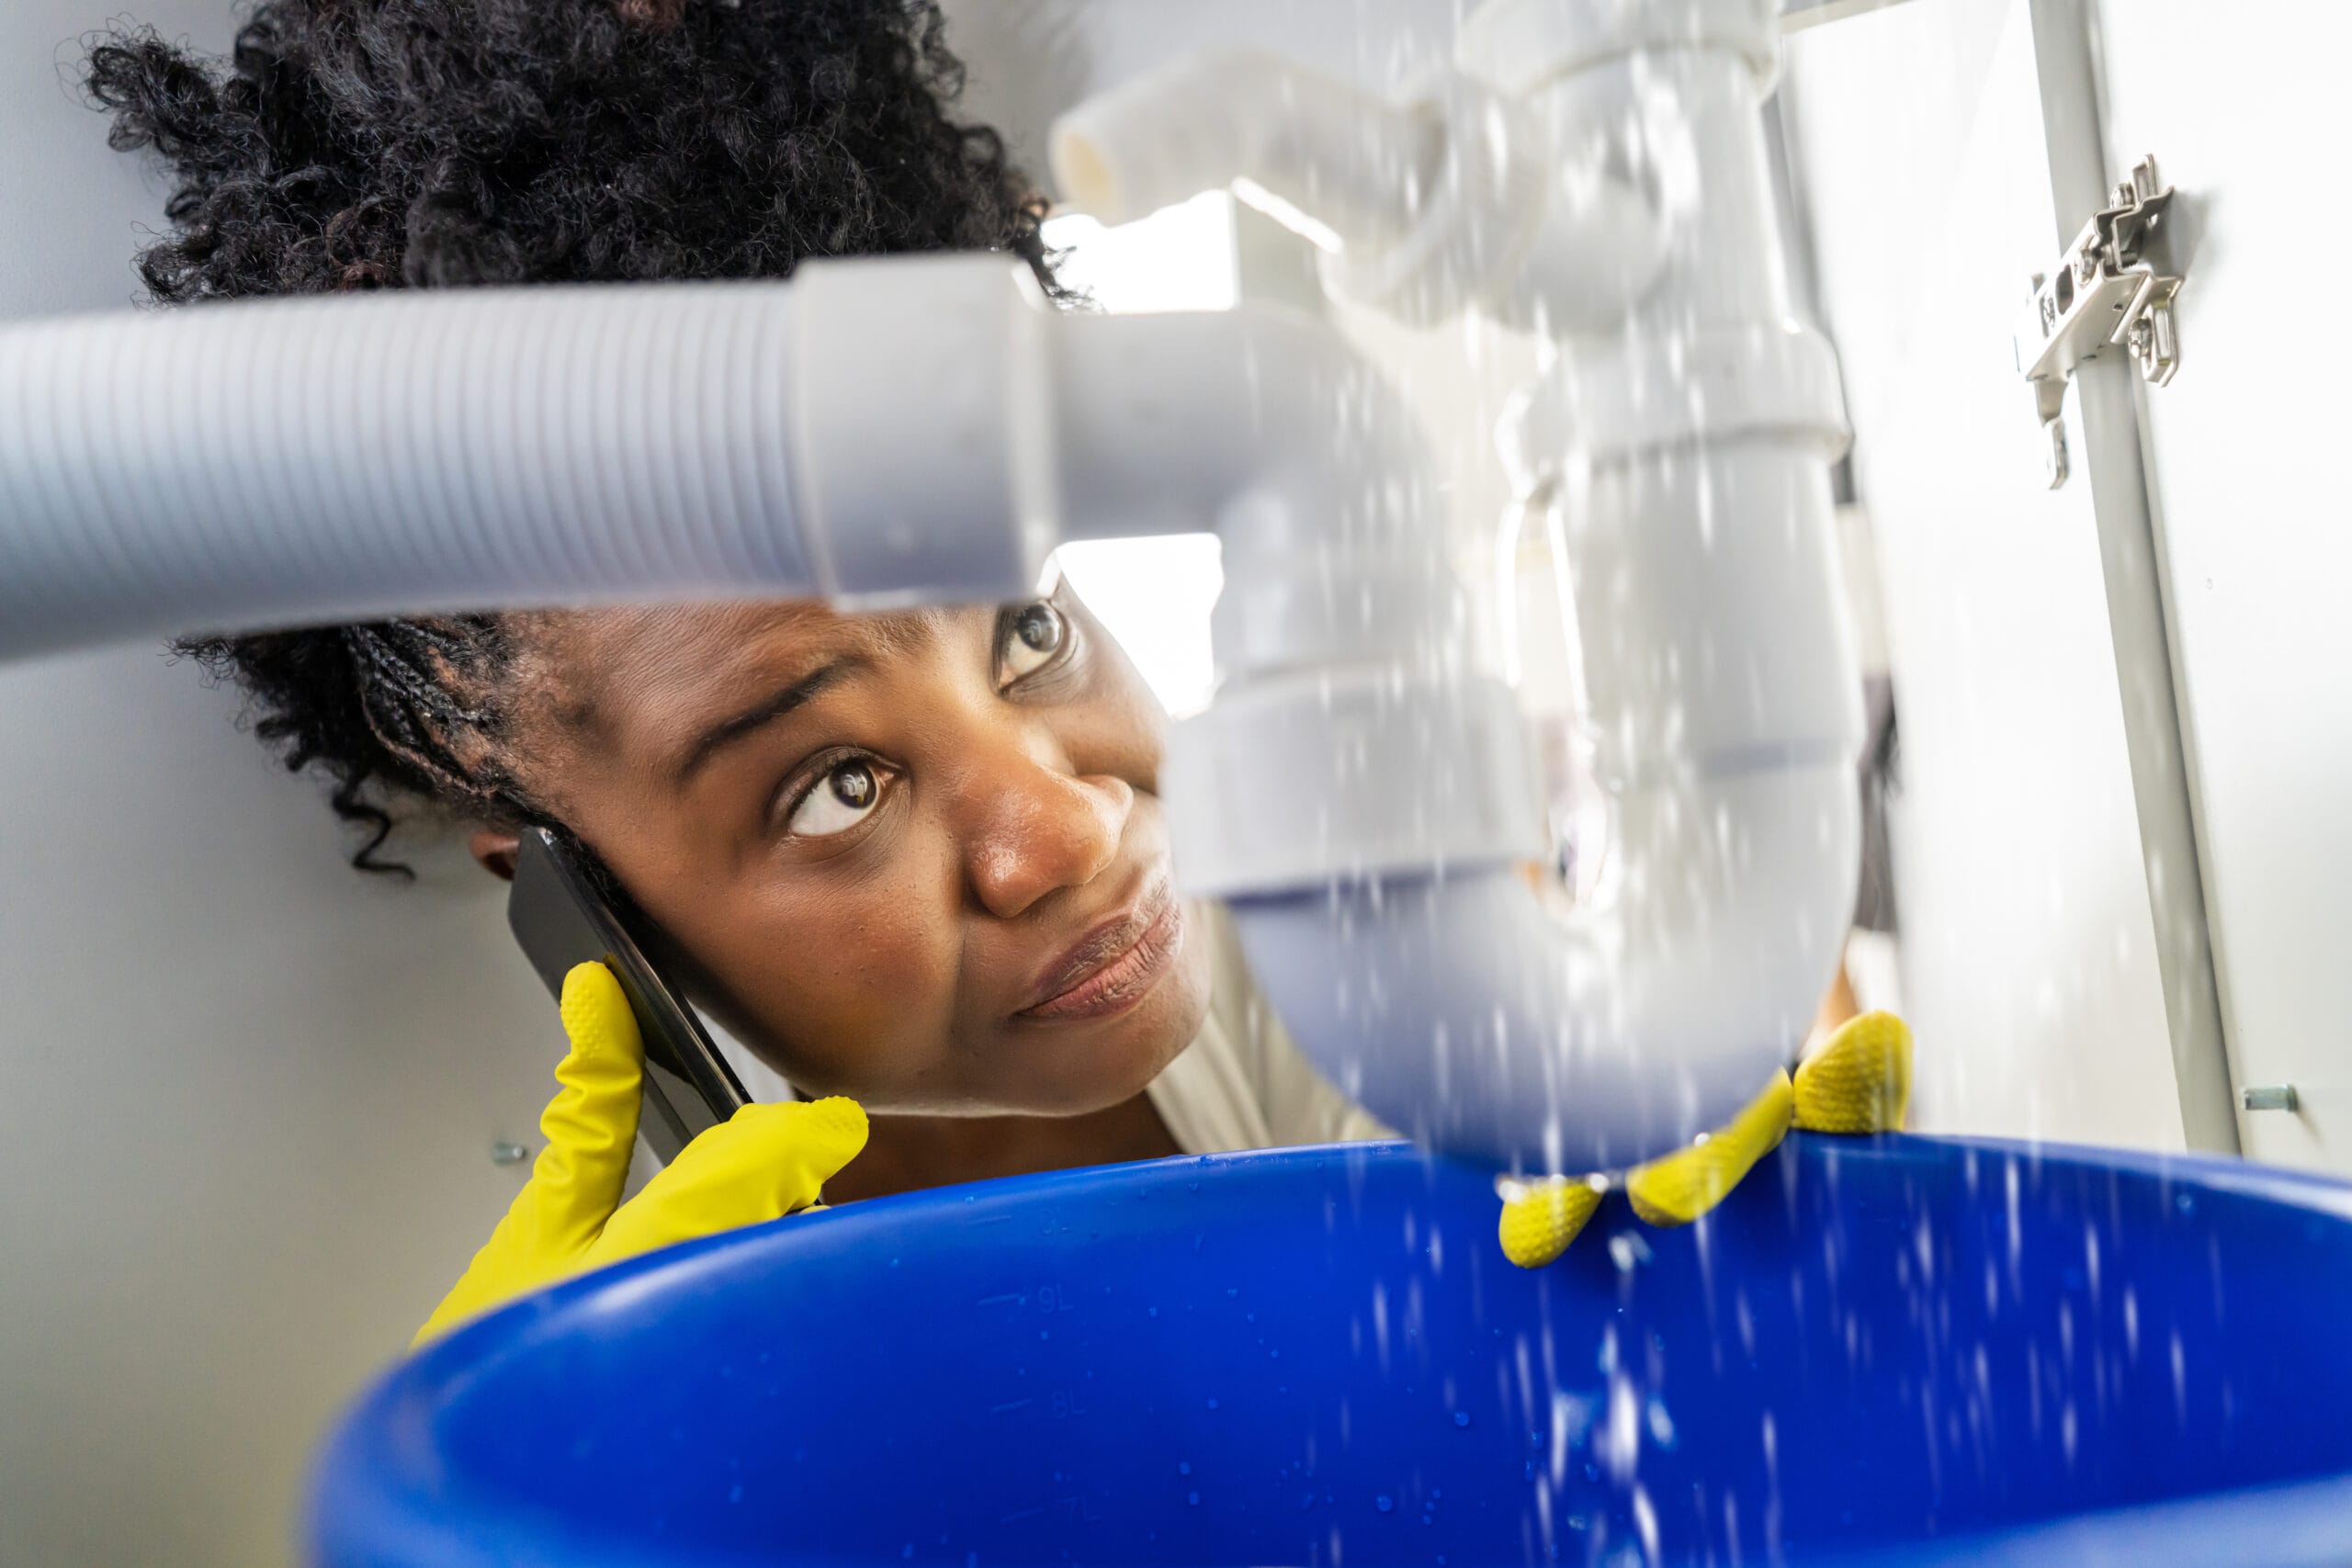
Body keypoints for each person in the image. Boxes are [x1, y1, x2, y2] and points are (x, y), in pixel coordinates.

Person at [89, 0, 1904, 1339]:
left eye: (1023, 627)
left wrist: (1713, 1266)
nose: (1065, 825)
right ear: (559, 881)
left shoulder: (1304, 952)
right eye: (836, 785)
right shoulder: (583, 1268)